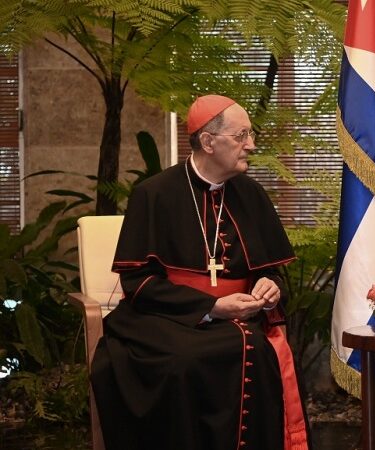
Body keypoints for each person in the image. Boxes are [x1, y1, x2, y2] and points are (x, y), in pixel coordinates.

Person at [91, 95, 309, 450]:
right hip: (165, 317)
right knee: (184, 360)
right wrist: (211, 307)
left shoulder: (252, 194)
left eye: (250, 134)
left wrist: (269, 287)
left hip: (240, 315)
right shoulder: (153, 194)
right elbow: (138, 283)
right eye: (241, 136)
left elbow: (269, 270)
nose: (251, 145)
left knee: (255, 346)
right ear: (208, 141)